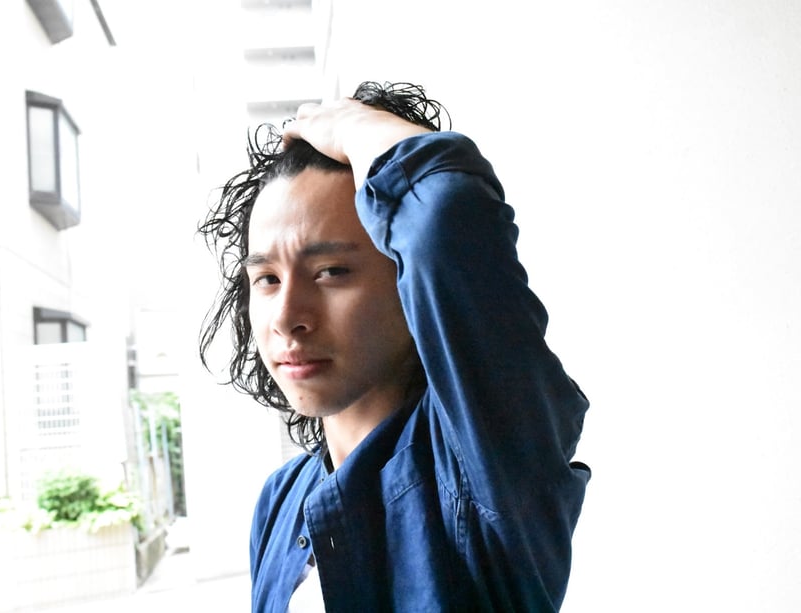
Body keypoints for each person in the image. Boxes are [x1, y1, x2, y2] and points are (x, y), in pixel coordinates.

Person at [198, 81, 590, 612]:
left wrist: (351, 124)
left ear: (412, 285)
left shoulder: (486, 465)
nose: (287, 318)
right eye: (267, 278)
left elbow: (445, 216)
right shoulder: (280, 500)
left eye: (332, 272)